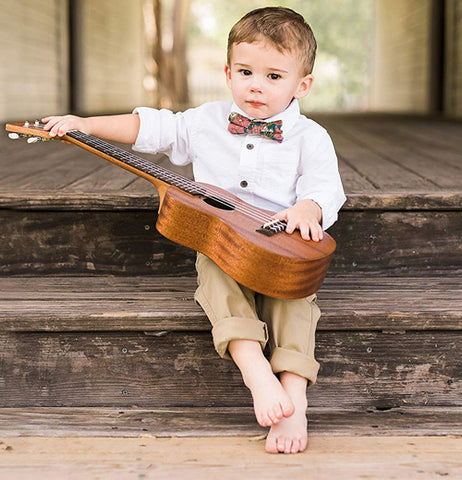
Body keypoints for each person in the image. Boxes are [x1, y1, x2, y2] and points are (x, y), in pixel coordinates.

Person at [42, 6, 346, 454]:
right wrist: (84, 125)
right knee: (217, 280)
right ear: (227, 72)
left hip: (283, 249)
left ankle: (295, 395)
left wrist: (308, 206)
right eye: (245, 71)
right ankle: (255, 372)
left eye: (273, 76)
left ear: (303, 85)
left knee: (295, 304)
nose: (256, 85)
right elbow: (150, 127)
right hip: (224, 243)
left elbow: (325, 186)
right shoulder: (205, 121)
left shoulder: (310, 137)